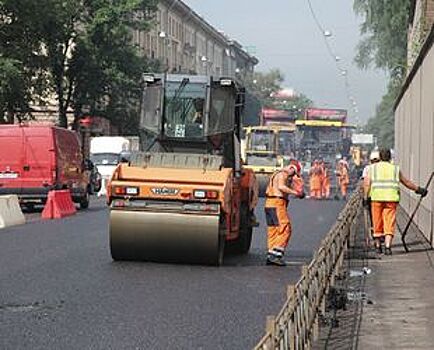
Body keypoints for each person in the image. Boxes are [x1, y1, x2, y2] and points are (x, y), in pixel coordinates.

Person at [363, 149, 428, 255]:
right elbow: (406, 182)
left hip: (376, 198)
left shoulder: (372, 168)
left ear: (380, 157)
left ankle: (378, 246)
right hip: (391, 199)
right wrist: (419, 189)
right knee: (389, 221)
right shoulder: (395, 169)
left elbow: (366, 183)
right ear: (390, 157)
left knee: (377, 222)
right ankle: (388, 247)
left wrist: (365, 197)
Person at [265, 164, 305, 266]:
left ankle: (271, 253)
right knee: (285, 228)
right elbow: (281, 187)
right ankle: (276, 255)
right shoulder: (283, 174)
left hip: (269, 203)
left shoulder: (276, 174)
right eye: (294, 173)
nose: (293, 176)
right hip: (277, 203)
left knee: (273, 229)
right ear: (291, 168)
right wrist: (296, 193)